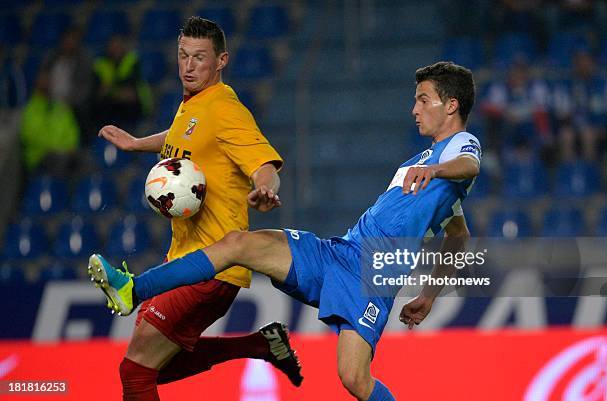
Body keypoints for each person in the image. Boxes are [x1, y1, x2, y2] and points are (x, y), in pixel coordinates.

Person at [91, 61, 481, 400]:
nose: (414, 109)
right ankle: (133, 288)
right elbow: (458, 234)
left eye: (423, 100)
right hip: (338, 253)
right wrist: (429, 296)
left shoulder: (460, 148)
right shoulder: (428, 168)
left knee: (355, 380)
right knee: (238, 244)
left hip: (368, 277)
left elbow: (469, 165)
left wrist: (436, 170)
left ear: (451, 106)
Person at [95, 17, 302, 401]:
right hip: (183, 259)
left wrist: (264, 189)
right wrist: (136, 143)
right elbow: (184, 134)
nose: (189, 67)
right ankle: (259, 345)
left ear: (221, 60)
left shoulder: (226, 108)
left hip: (213, 265)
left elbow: (265, 164)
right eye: (183, 56)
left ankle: (256, 347)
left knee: (134, 372)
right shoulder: (194, 103)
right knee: (158, 368)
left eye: (200, 58)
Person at [92, 34, 152, 133]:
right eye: (113, 45)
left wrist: (110, 91)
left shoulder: (132, 60)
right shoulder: (100, 63)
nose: (116, 49)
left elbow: (130, 93)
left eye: (118, 45)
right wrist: (115, 92)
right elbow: (98, 91)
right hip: (109, 108)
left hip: (132, 108)